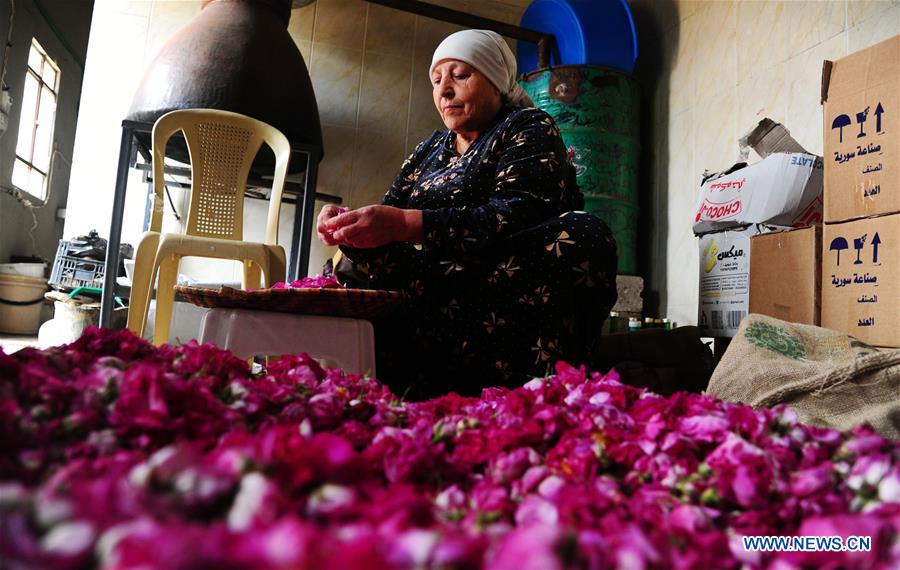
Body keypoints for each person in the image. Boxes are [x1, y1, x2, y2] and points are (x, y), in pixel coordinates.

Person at [317, 29, 617, 398]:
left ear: (495, 83)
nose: (444, 90)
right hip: (430, 282)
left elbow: (517, 214)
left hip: (499, 278)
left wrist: (406, 224)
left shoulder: (527, 126)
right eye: (437, 79)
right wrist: (348, 225)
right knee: (351, 263)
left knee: (584, 232)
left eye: (460, 76)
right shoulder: (430, 149)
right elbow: (390, 214)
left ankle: (529, 387)